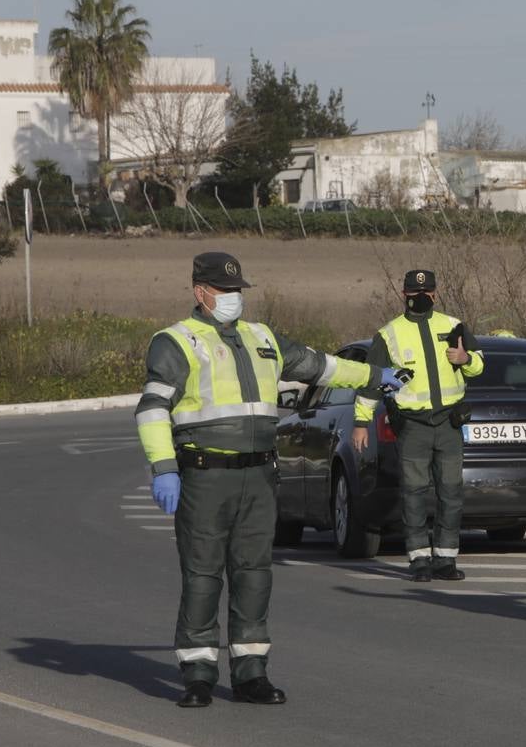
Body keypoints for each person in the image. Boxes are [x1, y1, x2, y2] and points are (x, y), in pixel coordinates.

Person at [136, 252, 399, 709]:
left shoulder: (263, 338)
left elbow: (322, 366)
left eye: (238, 290)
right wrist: (164, 469)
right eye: (225, 291)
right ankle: (198, 674)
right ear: (201, 292)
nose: (235, 298)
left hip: (259, 476)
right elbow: (153, 409)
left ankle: (250, 673)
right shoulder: (176, 342)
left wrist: (378, 377)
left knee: (254, 574)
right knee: (202, 575)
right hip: (205, 476)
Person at [352, 269, 484, 582]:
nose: (421, 297)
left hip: (449, 423)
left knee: (451, 492)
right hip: (413, 425)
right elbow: (371, 381)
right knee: (413, 493)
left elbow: (479, 365)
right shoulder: (388, 334)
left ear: (436, 294)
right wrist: (361, 421)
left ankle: (446, 559)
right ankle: (419, 559)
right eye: (414, 293)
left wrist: (466, 360)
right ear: (404, 295)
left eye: (426, 292)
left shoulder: (453, 325)